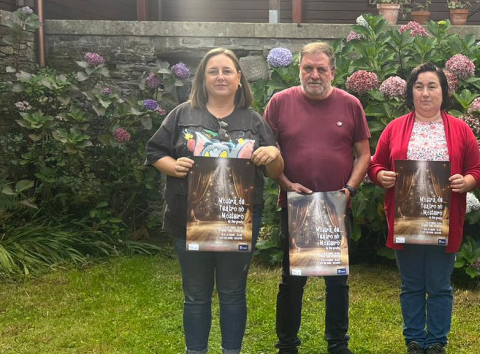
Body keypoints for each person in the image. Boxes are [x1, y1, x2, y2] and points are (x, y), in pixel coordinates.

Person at [147, 47, 284, 354]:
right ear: (203, 78)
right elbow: (155, 152)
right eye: (213, 71)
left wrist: (274, 154)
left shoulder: (254, 120)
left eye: (226, 71)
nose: (220, 77)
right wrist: (173, 166)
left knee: (233, 292)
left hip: (238, 219)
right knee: (195, 294)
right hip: (188, 218)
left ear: (239, 78)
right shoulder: (182, 114)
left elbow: (275, 171)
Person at [368, 62, 480, 354]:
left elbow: (477, 168)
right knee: (411, 284)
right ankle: (415, 340)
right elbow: (375, 164)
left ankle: (436, 341)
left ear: (443, 92)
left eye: (432, 86)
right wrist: (380, 175)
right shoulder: (395, 128)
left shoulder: (460, 130)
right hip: (406, 218)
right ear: (411, 92)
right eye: (419, 86)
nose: (426, 92)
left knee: (440, 284)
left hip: (442, 220)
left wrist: (466, 181)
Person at [265, 42, 371, 354]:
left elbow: (364, 155)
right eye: (307, 68)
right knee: (292, 279)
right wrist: (284, 183)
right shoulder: (279, 103)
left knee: (337, 280)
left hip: (335, 205)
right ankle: (287, 345)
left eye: (321, 69)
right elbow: (265, 152)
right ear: (298, 70)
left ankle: (337, 343)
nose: (314, 74)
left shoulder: (350, 104)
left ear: (333, 72)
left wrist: (349, 189)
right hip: (295, 205)